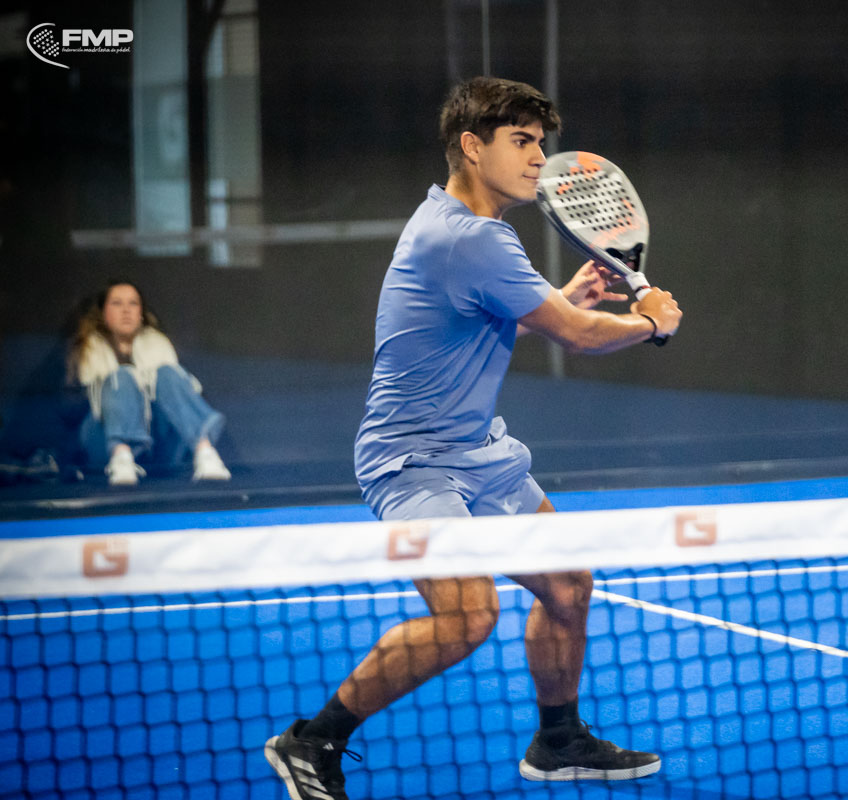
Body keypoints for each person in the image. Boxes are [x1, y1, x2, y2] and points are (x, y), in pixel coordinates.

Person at [264, 77, 682, 799]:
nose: (539, 159)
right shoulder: (470, 238)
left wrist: (560, 301)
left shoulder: (456, 221)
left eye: (540, 142)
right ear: (471, 146)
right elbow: (579, 337)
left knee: (567, 585)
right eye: (521, 141)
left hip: (478, 453)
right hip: (413, 463)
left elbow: (491, 323)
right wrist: (652, 321)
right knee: (465, 616)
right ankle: (312, 740)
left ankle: (558, 741)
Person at [67, 279, 231, 486]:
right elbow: (72, 412)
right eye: (117, 303)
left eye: (133, 303)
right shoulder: (88, 350)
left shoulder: (158, 345)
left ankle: (205, 453)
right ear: (103, 313)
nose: (126, 310)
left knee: (168, 373)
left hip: (158, 443)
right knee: (122, 377)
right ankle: (121, 458)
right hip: (103, 440)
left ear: (141, 313)